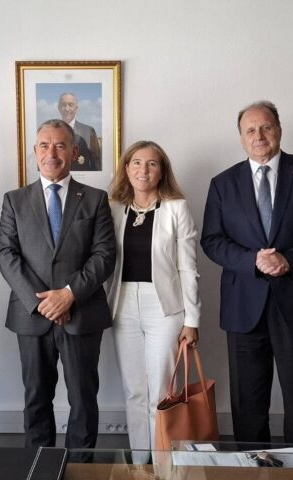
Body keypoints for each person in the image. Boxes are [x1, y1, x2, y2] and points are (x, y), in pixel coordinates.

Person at [200, 100, 293, 452]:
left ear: (279, 129)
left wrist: (288, 260)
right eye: (250, 130)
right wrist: (253, 261)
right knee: (247, 397)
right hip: (244, 303)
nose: (259, 135)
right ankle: (252, 462)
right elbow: (212, 241)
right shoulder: (223, 183)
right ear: (240, 137)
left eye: (266, 127)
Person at [0, 119, 116, 448]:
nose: (52, 153)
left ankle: (80, 467)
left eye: (61, 145)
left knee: (83, 398)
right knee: (36, 397)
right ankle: (39, 465)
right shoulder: (14, 200)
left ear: (74, 152)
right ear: (35, 152)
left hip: (82, 312)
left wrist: (68, 295)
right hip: (31, 315)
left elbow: (104, 254)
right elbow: (6, 255)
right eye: (44, 145)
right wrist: (43, 303)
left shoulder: (95, 199)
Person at [106, 141, 200, 454]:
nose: (143, 170)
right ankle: (139, 462)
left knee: (161, 390)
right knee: (134, 389)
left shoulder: (176, 207)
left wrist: (192, 320)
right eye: (136, 162)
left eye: (152, 164)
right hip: (123, 304)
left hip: (165, 307)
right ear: (126, 168)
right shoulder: (113, 208)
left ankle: (163, 462)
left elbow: (188, 267)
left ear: (162, 171)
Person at [58, 92, 102, 171]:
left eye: (70, 105)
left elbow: (97, 164)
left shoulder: (88, 131)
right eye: (64, 105)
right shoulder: (52, 132)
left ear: (76, 108)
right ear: (59, 108)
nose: (67, 109)